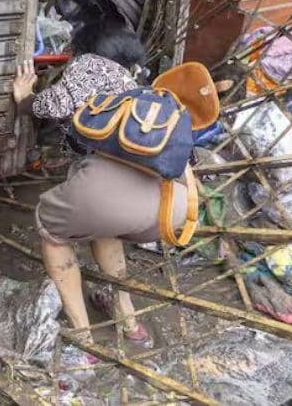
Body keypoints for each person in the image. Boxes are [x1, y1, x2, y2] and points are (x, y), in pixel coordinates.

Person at [12, 27, 193, 347]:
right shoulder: (136, 83)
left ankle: (83, 335)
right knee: (103, 226)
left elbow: (49, 108)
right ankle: (130, 322)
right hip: (171, 207)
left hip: (108, 186)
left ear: (88, 47)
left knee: (52, 231)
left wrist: (25, 98)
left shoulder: (88, 64)